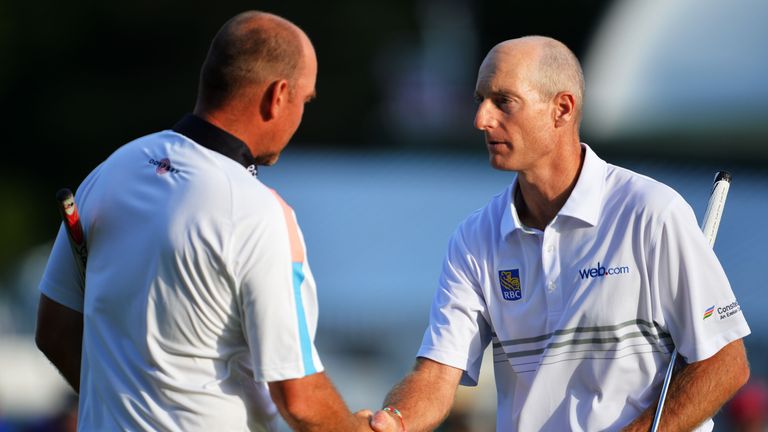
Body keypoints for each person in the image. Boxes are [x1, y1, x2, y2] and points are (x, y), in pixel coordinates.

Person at [369, 36, 751, 431]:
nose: (481, 119)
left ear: (561, 109)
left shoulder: (651, 212)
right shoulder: (474, 239)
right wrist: (395, 420)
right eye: (480, 99)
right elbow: (435, 375)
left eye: (503, 101)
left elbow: (725, 363)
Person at [35, 11, 372, 431]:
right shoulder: (258, 211)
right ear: (278, 95)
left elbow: (53, 331)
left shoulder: (109, 171)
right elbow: (299, 399)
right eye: (305, 100)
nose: (302, 115)